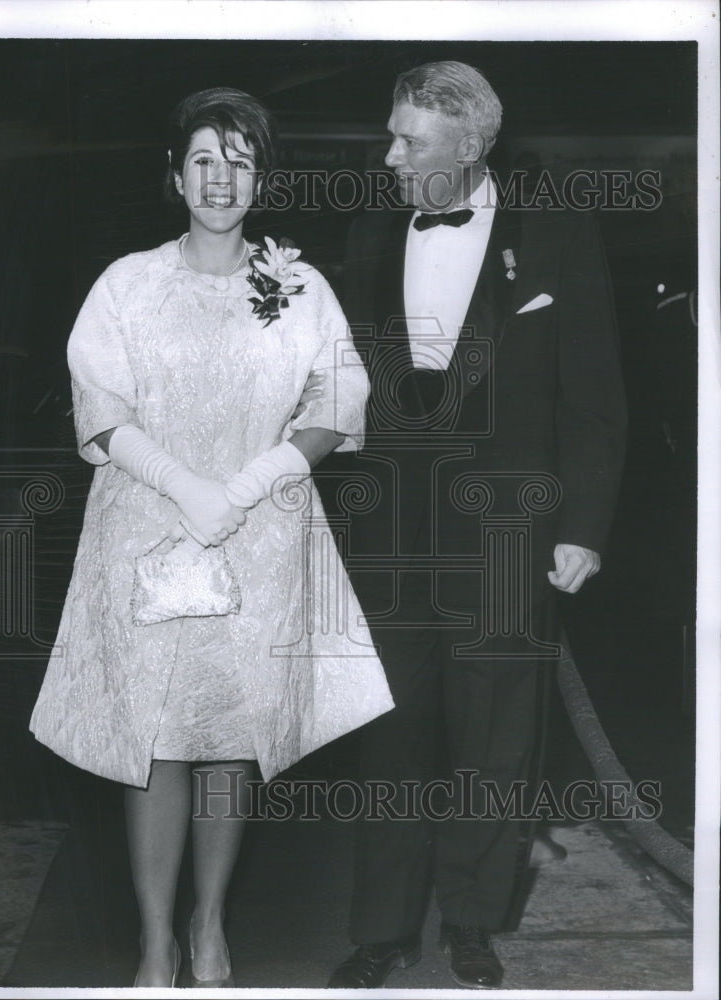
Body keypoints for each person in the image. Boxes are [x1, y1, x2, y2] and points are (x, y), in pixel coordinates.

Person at [29, 87, 393, 989]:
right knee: (153, 737)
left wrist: (248, 483)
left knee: (233, 736)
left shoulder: (300, 287)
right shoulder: (127, 283)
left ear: (259, 178)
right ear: (174, 176)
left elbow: (338, 399)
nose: (220, 178)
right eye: (202, 159)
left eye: (238, 161)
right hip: (148, 528)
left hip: (258, 532)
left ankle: (210, 923)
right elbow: (102, 405)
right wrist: (185, 485)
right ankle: (155, 940)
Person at [325, 61, 627, 989]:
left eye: (407, 139)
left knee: (497, 738)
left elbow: (596, 394)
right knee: (391, 734)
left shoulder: (556, 236)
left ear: (471, 143)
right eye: (390, 133)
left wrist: (584, 525)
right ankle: (379, 931)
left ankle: (472, 920)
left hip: (509, 532)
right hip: (390, 536)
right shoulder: (373, 229)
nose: (389, 155)